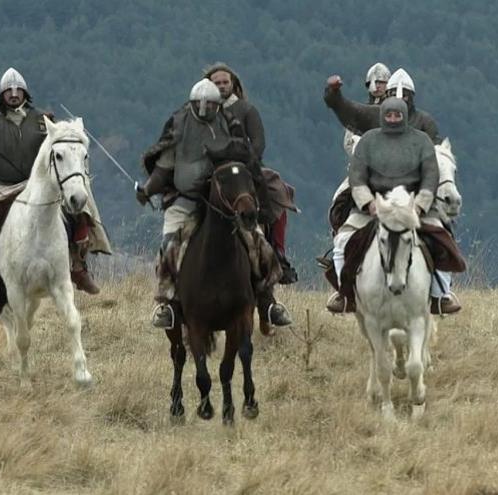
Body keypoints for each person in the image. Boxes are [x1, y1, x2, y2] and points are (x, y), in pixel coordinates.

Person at [138, 78, 291, 329]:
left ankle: (267, 301)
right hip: (185, 201)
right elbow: (163, 171)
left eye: (210, 105)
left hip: (225, 204)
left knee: (258, 243)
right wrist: (146, 190)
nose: (204, 110)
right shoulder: (179, 128)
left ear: (217, 105)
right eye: (200, 105)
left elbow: (246, 162)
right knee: (169, 247)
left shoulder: (229, 127)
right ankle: (168, 303)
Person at [0, 67, 111, 295]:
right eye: (8, 91)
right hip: (2, 187)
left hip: (36, 184)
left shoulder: (42, 119)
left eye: (17, 90)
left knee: (78, 205)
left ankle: (79, 268)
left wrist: (70, 129)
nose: (13, 94)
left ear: (24, 92)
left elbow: (61, 139)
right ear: (2, 95)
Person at [325, 94, 461, 314]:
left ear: (405, 116)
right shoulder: (368, 141)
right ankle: (345, 294)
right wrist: (369, 203)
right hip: (374, 210)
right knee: (342, 241)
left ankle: (440, 295)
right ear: (382, 116)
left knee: (441, 239)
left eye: (397, 114)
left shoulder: (421, 142)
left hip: (413, 209)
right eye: (389, 114)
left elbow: (429, 177)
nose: (393, 118)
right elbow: (357, 177)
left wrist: (419, 205)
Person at [204, 62, 295, 332]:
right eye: (216, 82)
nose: (221, 86)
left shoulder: (246, 110)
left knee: (278, 192)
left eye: (224, 82)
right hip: (211, 175)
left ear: (233, 84)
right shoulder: (200, 112)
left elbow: (258, 144)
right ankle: (174, 295)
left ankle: (275, 263)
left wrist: (242, 162)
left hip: (244, 171)